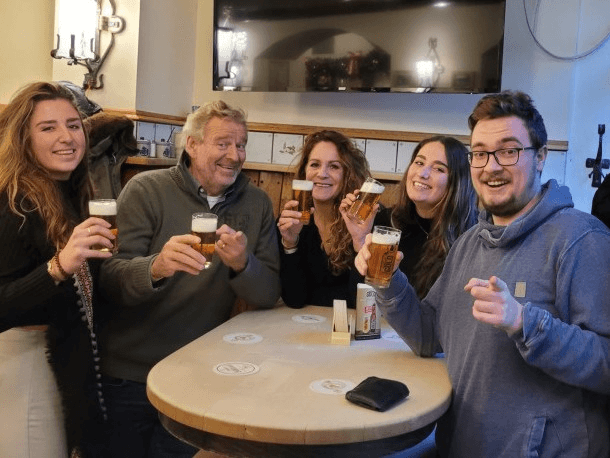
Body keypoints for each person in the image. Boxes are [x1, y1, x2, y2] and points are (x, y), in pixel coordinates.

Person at [355, 90, 610, 457]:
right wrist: (389, 282)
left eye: (508, 151)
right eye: (479, 153)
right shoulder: (471, 241)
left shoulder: (581, 239)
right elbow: (429, 336)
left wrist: (525, 323)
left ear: (540, 157)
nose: (491, 166)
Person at [97, 100, 281, 457]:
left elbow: (267, 293)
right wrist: (157, 267)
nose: (235, 154)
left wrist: (243, 264)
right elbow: (110, 277)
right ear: (192, 145)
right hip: (128, 372)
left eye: (241, 144)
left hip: (196, 375)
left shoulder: (256, 203)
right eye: (223, 143)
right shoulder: (146, 189)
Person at [0, 82, 115, 457]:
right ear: (23, 138)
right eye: (48, 127)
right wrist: (59, 266)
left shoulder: (70, 191)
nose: (67, 137)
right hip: (23, 364)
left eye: (73, 125)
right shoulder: (12, 201)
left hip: (58, 359)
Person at [343, 135, 477, 299]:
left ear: (456, 182)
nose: (423, 173)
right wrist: (360, 239)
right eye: (419, 163)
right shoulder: (387, 222)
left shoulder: (470, 235)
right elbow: (358, 298)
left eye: (439, 169)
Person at [277, 129, 371, 308]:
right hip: (305, 325)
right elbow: (295, 299)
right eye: (314, 165)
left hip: (351, 328)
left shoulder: (364, 220)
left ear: (347, 174)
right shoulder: (291, 222)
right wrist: (290, 244)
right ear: (304, 171)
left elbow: (363, 303)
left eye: (334, 166)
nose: (322, 173)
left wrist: (360, 240)